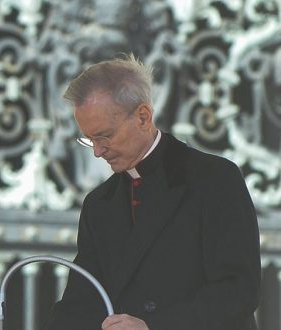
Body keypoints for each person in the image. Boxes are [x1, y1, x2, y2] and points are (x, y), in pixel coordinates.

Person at [47, 55, 260, 330]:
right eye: (89, 140)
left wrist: (154, 326)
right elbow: (80, 302)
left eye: (104, 137)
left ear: (143, 117)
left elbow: (239, 291)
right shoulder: (98, 204)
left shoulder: (215, 179)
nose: (97, 151)